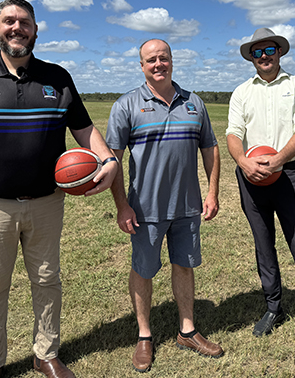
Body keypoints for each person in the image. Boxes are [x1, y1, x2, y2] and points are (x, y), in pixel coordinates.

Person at [0, 0, 118, 378]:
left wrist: (109, 159)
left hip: (47, 202)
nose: (17, 28)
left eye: (25, 22)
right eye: (8, 21)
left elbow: (83, 128)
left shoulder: (58, 77)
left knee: (47, 279)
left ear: (35, 29)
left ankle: (45, 353)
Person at [106, 39, 223, 372]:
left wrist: (212, 193)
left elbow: (210, 148)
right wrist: (122, 206)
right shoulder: (126, 105)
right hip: (145, 210)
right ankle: (144, 335)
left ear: (172, 61)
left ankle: (187, 330)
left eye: (164, 58)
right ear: (141, 65)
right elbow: (113, 159)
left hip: (187, 207)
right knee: (143, 270)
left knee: (184, 266)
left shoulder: (194, 103)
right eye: (151, 60)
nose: (158, 64)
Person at [226, 28, 295, 363]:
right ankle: (273, 307)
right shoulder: (242, 92)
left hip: (288, 175)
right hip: (251, 177)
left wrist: (278, 160)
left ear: (280, 52)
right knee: (264, 245)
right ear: (251, 56)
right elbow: (233, 133)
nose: (264, 56)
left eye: (270, 49)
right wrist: (244, 162)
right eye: (257, 52)